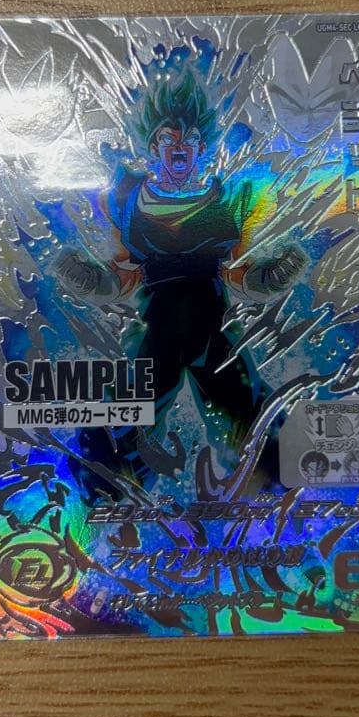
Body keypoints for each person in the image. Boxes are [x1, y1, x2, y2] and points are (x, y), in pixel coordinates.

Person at [56, 69, 305, 492]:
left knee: (254, 423)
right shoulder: (128, 199)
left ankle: (276, 493)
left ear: (200, 148)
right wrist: (87, 279)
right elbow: (122, 278)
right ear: (153, 147)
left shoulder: (228, 199)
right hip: (155, 333)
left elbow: (238, 276)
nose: (178, 144)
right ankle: (108, 498)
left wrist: (274, 275)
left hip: (215, 332)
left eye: (188, 138)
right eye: (167, 137)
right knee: (118, 427)